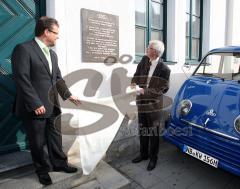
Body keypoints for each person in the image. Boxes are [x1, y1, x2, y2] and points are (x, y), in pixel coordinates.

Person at [11, 16, 81, 186]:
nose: (58, 37)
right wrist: (35, 103)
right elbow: (21, 79)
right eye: (56, 33)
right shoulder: (24, 49)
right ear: (46, 32)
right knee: (37, 141)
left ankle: (59, 163)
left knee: (55, 137)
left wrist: (68, 95)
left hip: (52, 105)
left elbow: (57, 78)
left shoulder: (53, 54)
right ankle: (42, 170)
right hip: (35, 107)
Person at [131, 40, 170, 171]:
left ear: (155, 51)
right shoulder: (144, 60)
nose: (147, 48)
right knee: (142, 130)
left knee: (153, 132)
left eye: (149, 47)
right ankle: (143, 154)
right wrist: (133, 83)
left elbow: (163, 89)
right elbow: (136, 75)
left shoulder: (164, 69)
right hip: (141, 102)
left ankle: (153, 158)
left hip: (154, 106)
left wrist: (144, 91)